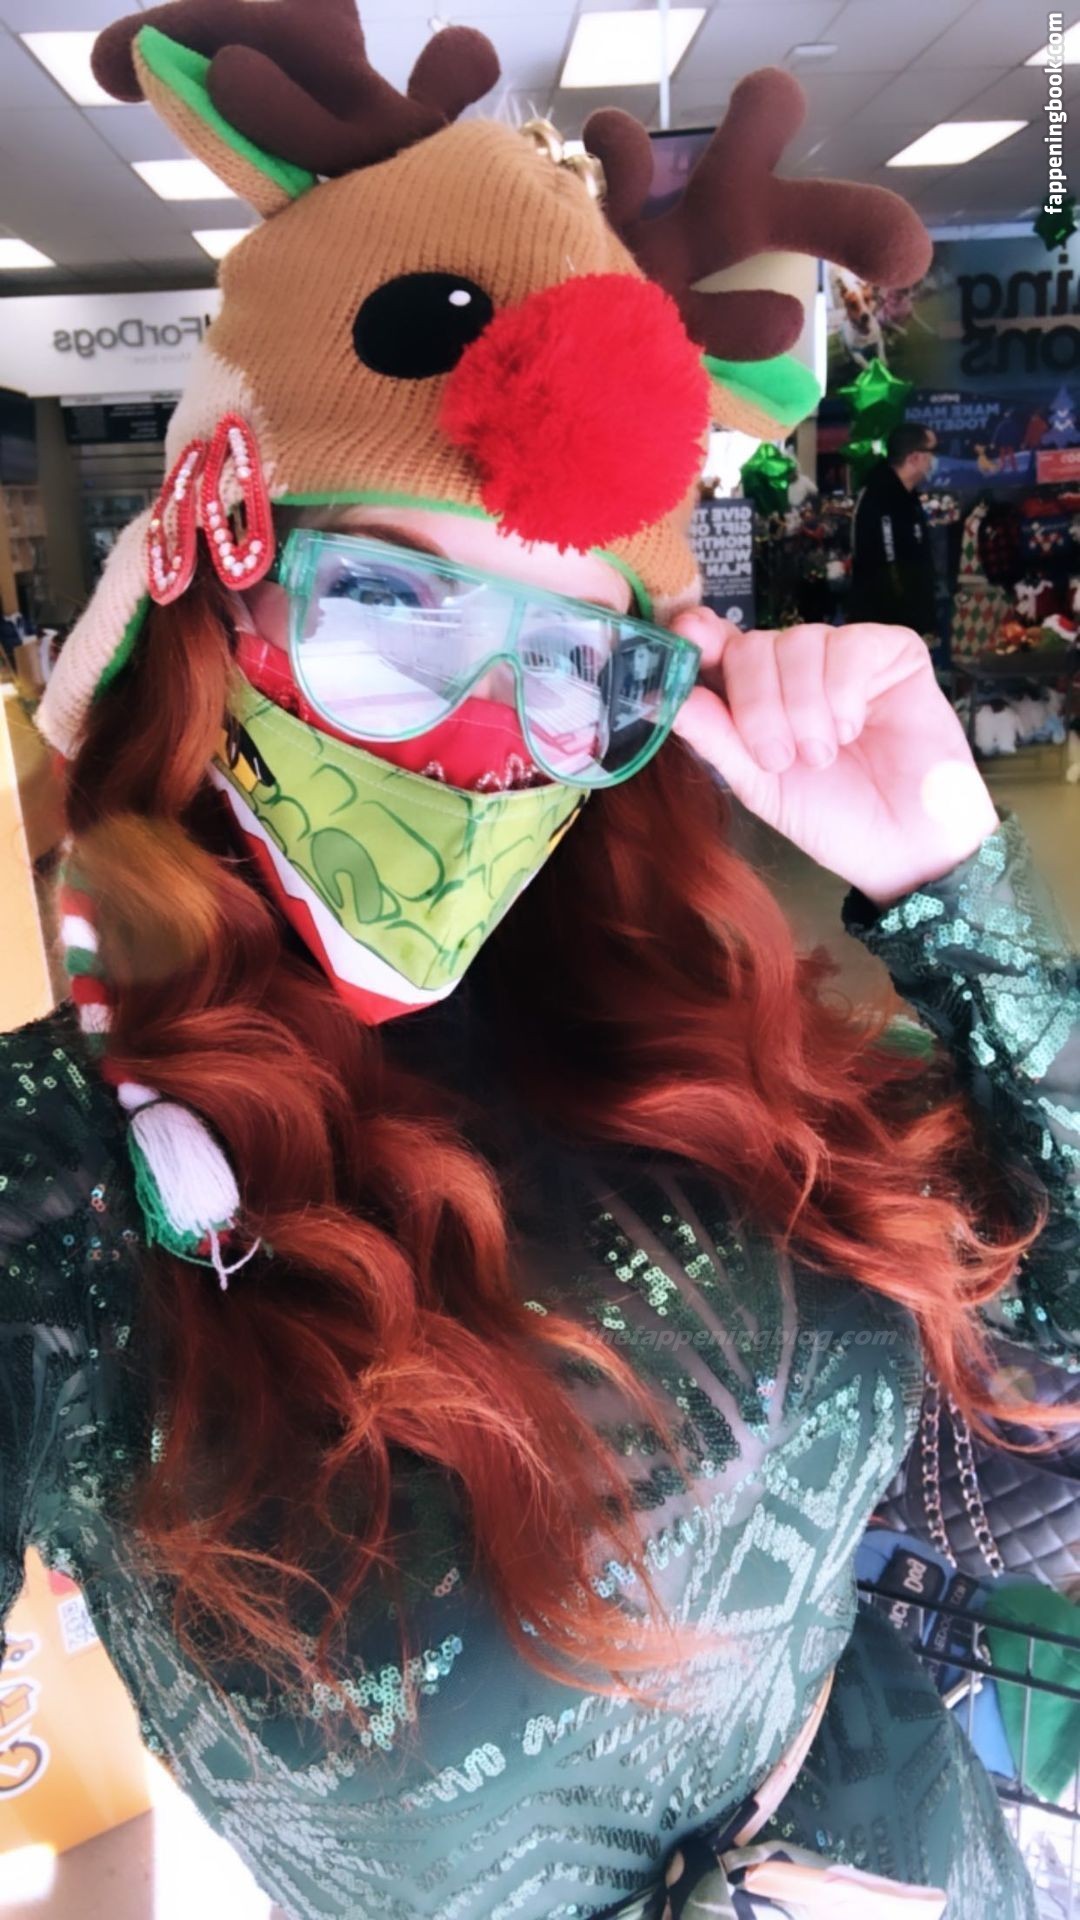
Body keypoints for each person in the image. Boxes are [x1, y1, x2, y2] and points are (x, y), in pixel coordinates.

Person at [1, 7, 1075, 1919]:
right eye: (398, 611)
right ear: (202, 570)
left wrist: (951, 892)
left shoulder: (697, 1020)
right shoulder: (57, 1175)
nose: (485, 753)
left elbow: (1045, 1414)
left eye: (577, 664)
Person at [849, 423, 939, 635]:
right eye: (932, 451)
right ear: (914, 457)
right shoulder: (880, 497)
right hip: (886, 625)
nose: (934, 459)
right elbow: (888, 564)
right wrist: (907, 616)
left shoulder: (909, 497)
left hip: (910, 623)